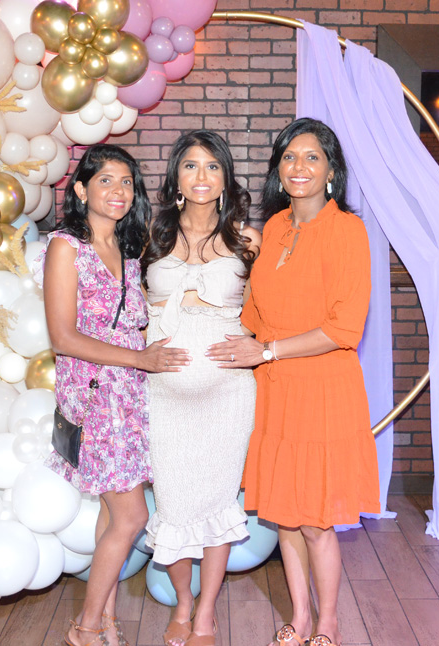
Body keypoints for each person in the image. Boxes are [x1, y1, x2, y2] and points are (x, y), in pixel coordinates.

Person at [207, 118, 381, 646]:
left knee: (316, 521)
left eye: (311, 157)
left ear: (331, 171)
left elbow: (344, 328)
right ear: (278, 170)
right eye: (289, 157)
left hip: (323, 388)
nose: (299, 167)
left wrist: (267, 350)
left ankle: (328, 623)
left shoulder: (348, 231)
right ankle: (301, 617)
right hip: (275, 388)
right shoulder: (276, 228)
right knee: (285, 515)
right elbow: (256, 312)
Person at [34, 144, 190, 646]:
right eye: (106, 180)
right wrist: (141, 359)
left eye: (127, 182)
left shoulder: (127, 249)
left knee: (111, 514)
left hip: (130, 396)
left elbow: (132, 324)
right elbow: (63, 337)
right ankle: (84, 629)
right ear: (81, 190)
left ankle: (103, 619)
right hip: (96, 396)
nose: (119, 191)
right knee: (133, 515)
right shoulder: (66, 247)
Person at [142, 130, 261, 646]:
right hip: (162, 394)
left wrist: (257, 344)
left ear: (226, 178)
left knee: (217, 501)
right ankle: (183, 604)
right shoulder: (149, 235)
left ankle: (206, 612)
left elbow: (268, 309)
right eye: (191, 165)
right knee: (172, 503)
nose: (202, 176)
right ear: (176, 177)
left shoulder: (248, 240)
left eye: (213, 166)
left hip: (228, 394)